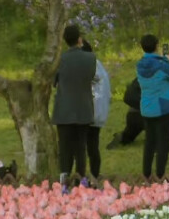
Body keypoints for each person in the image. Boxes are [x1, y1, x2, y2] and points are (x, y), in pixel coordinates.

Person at [51, 23, 96, 191]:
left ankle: (64, 180)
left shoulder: (60, 59)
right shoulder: (90, 58)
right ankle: (81, 180)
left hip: (63, 110)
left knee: (64, 146)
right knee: (81, 147)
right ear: (80, 39)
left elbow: (54, 82)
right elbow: (91, 77)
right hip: (83, 107)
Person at [136, 34, 169, 181]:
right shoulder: (162, 64)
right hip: (164, 108)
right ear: (157, 46)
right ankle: (160, 174)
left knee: (150, 142)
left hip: (147, 108)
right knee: (164, 142)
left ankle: (146, 174)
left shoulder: (139, 65)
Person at [81, 37, 112, 185]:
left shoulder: (86, 66)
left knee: (81, 147)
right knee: (93, 146)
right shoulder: (98, 65)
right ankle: (94, 176)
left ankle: (82, 179)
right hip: (99, 112)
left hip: (87, 111)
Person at [107, 75, 145, 150]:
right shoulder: (163, 76)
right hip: (151, 116)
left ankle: (123, 137)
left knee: (129, 135)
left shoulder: (141, 76)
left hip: (132, 115)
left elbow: (128, 96)